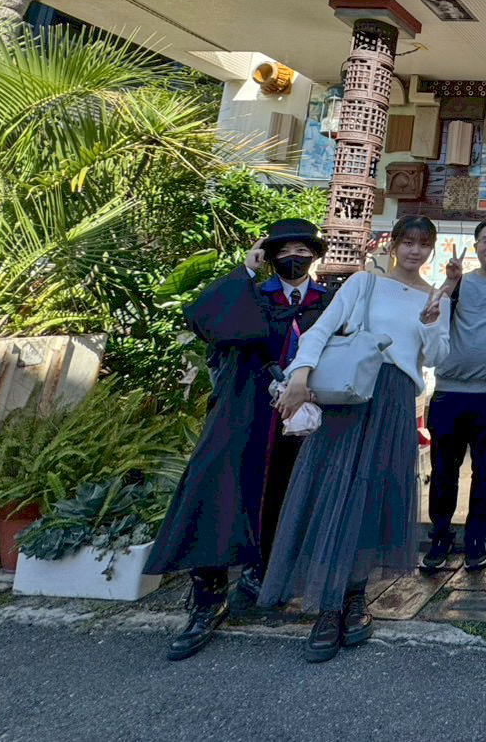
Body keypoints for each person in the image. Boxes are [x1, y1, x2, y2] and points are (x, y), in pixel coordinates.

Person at [264, 215, 451, 664]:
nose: (414, 251)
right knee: (337, 492)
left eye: (423, 244)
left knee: (373, 497)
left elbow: (438, 358)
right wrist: (299, 375)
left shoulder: (435, 297)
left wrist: (430, 324)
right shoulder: (364, 283)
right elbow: (322, 329)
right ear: (394, 245)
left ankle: (354, 597)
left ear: (431, 249)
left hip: (396, 400)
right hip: (352, 396)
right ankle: (327, 608)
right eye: (408, 242)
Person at [146, 219, 332, 661]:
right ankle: (208, 601)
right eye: (283, 251)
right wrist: (246, 271)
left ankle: (265, 574)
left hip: (307, 418)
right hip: (244, 413)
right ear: (269, 256)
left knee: (287, 497)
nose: (293, 258)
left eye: (302, 251)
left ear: (313, 256)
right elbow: (204, 318)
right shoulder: (250, 294)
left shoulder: (327, 303)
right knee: (217, 493)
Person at [421, 219, 486, 573]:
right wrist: (450, 282)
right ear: (476, 247)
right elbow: (431, 317)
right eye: (485, 241)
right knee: (443, 472)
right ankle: (441, 536)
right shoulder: (458, 283)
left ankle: (476, 538)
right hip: (449, 393)